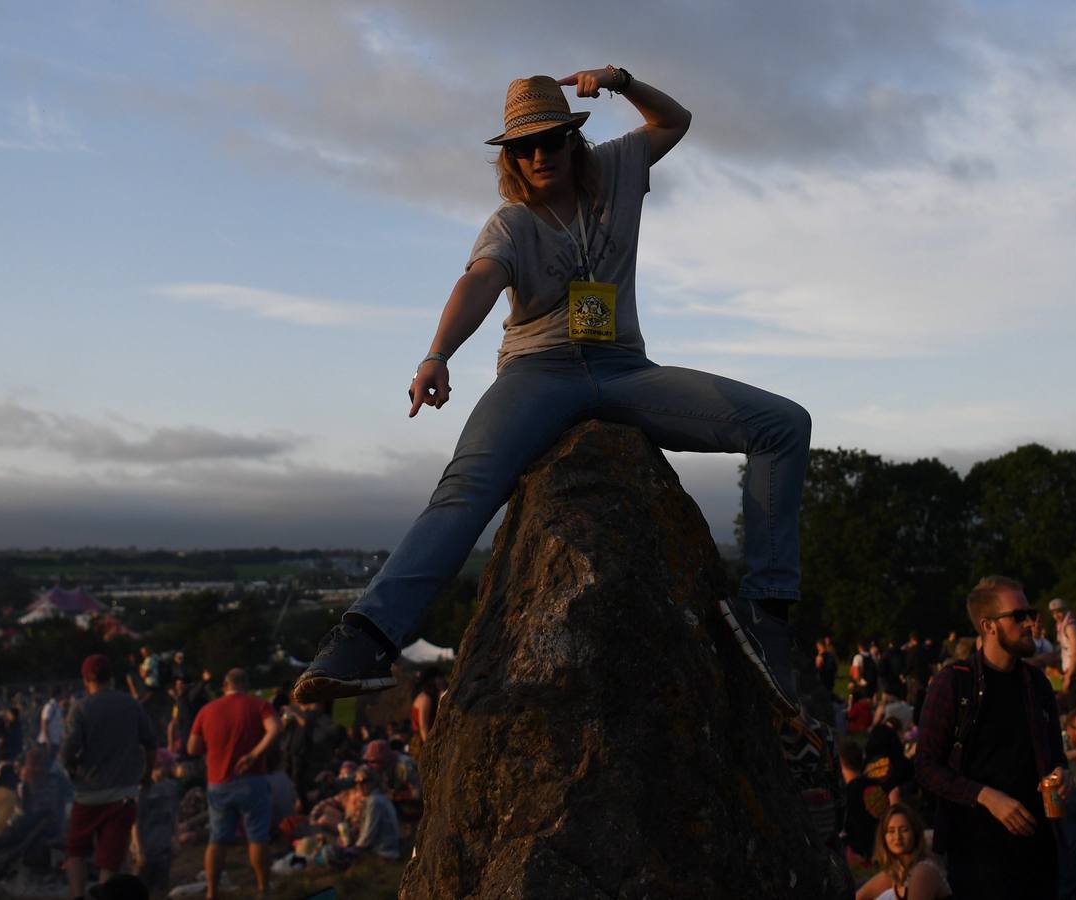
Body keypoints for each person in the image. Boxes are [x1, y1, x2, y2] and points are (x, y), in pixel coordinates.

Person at [292, 68, 811, 732]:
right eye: (522, 147)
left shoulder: (617, 169)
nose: (538, 155)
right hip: (537, 372)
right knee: (468, 484)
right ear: (509, 158)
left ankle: (765, 613)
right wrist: (437, 354)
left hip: (623, 371)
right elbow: (479, 281)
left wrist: (621, 81)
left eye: (550, 140)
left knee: (782, 424)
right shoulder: (510, 223)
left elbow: (675, 122)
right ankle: (365, 638)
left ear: (573, 139)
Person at [915, 576, 1068, 900]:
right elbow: (926, 767)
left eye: (1031, 613)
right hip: (977, 851)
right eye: (1018, 616)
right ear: (988, 625)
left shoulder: (1037, 684)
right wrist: (986, 796)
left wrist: (1062, 775)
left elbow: (1056, 756)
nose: (1030, 623)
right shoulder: (954, 684)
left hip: (1038, 848)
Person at [60, 654, 158, 900]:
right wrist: (146, 775)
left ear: (86, 680)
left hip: (88, 794)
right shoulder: (130, 704)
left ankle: (77, 896)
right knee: (111, 858)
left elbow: (68, 750)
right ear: (111, 677)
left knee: (76, 850)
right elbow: (150, 743)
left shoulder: (80, 708)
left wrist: (71, 768)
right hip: (123, 795)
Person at [187, 667, 281, 899]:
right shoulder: (258, 705)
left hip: (219, 782)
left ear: (224, 686)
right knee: (257, 836)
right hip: (253, 780)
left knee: (217, 839)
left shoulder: (207, 710)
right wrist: (254, 754)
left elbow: (192, 748)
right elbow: (275, 728)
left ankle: (212, 892)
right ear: (246, 684)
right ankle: (263, 889)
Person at [853, 803, 951, 900]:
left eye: (904, 830)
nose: (897, 837)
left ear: (915, 833)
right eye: (891, 831)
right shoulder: (896, 871)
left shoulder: (923, 871)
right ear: (883, 837)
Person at [132, 748, 180, 896]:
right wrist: (138, 850)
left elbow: (174, 815)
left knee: (161, 887)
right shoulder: (141, 790)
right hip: (146, 849)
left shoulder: (171, 787)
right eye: (168, 764)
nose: (171, 767)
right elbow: (135, 822)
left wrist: (175, 838)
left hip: (164, 847)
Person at [343, 766, 401, 860]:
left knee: (332, 853)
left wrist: (358, 847)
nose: (359, 786)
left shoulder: (374, 801)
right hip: (384, 847)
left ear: (373, 782)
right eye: (357, 782)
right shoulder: (374, 798)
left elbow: (370, 830)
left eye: (363, 781)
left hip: (384, 850)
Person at [1048, 598, 1076, 712]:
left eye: (1059, 611)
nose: (1056, 615)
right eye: (1053, 613)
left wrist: (1068, 678)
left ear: (1065, 610)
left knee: (1072, 708)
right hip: (1067, 671)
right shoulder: (1062, 626)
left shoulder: (1070, 627)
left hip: (1074, 674)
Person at [410, 667, 445, 754]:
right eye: (439, 677)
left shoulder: (431, 696)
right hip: (422, 741)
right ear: (432, 680)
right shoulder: (425, 698)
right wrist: (428, 747)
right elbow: (423, 726)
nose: (442, 680)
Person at [38, 687, 65, 756]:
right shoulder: (49, 706)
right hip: (48, 742)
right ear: (58, 694)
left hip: (55, 741)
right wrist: (48, 740)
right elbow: (44, 723)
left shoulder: (57, 707)